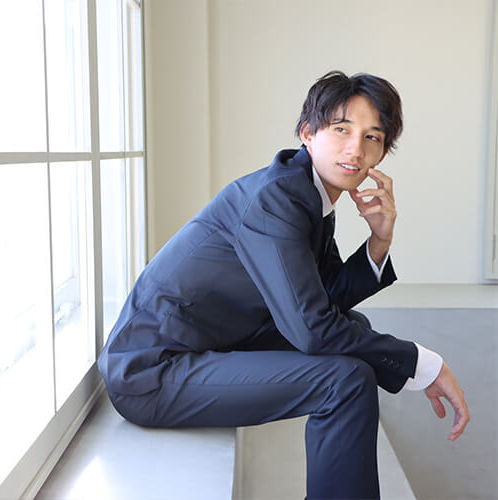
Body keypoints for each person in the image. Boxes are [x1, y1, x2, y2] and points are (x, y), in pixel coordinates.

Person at [97, 70, 470, 499]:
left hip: (206, 345)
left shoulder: (307, 193)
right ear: (308, 132)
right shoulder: (278, 199)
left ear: (382, 153)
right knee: (344, 380)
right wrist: (423, 364)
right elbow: (312, 330)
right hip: (153, 373)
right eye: (342, 129)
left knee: (355, 328)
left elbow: (326, 299)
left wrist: (379, 241)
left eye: (372, 137)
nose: (356, 149)